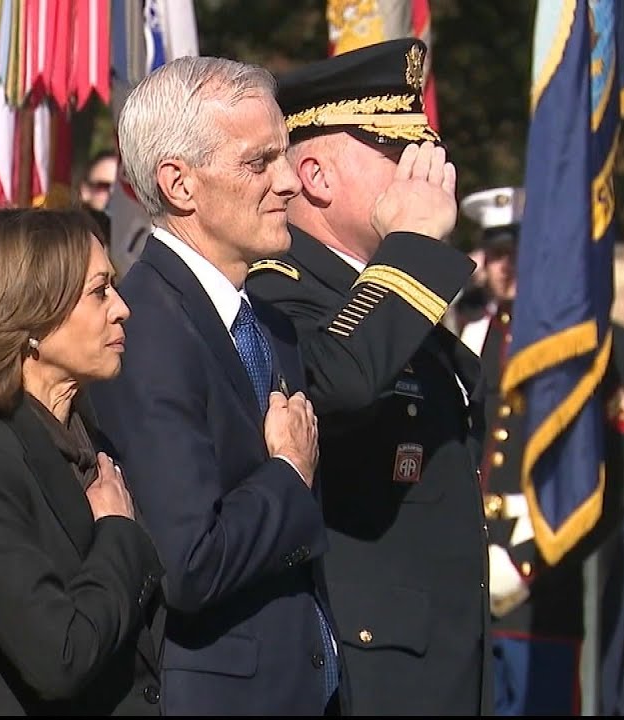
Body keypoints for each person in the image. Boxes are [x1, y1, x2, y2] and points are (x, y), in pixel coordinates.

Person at [245, 39, 490, 715]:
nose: (427, 167)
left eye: (427, 145)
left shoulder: (392, 295)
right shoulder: (274, 288)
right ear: (317, 175)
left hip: (442, 663)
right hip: (359, 672)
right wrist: (412, 248)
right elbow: (336, 386)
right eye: (396, 150)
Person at [87, 56, 336, 716]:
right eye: (260, 163)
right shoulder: (144, 333)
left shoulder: (267, 321)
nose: (288, 183)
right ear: (180, 184)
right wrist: (287, 470)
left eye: (283, 156)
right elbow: (189, 563)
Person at [0, 207, 162, 715]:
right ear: (30, 319)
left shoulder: (90, 439)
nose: (122, 308)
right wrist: (115, 532)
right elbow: (58, 656)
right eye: (99, 291)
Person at [459, 186, 624, 715]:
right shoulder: (469, 337)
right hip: (471, 586)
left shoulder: (591, 346)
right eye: (495, 252)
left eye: (517, 252)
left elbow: (612, 478)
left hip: (544, 591)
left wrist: (534, 564)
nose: (505, 266)